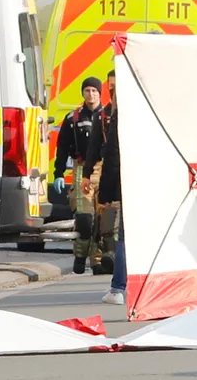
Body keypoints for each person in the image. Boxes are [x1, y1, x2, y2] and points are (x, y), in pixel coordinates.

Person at [83, 69, 125, 305]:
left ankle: (119, 286)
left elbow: (114, 153)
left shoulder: (119, 113)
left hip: (124, 176)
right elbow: (94, 148)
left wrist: (108, 190)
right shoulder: (103, 116)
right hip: (119, 175)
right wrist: (88, 175)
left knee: (126, 237)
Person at [53, 77, 103, 274]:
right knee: (84, 219)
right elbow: (62, 147)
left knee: (103, 219)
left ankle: (97, 261)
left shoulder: (108, 116)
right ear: (82, 93)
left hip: (103, 169)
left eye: (94, 91)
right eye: (87, 90)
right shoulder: (72, 118)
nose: (91, 94)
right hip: (82, 168)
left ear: (100, 93)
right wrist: (58, 173)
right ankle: (80, 256)